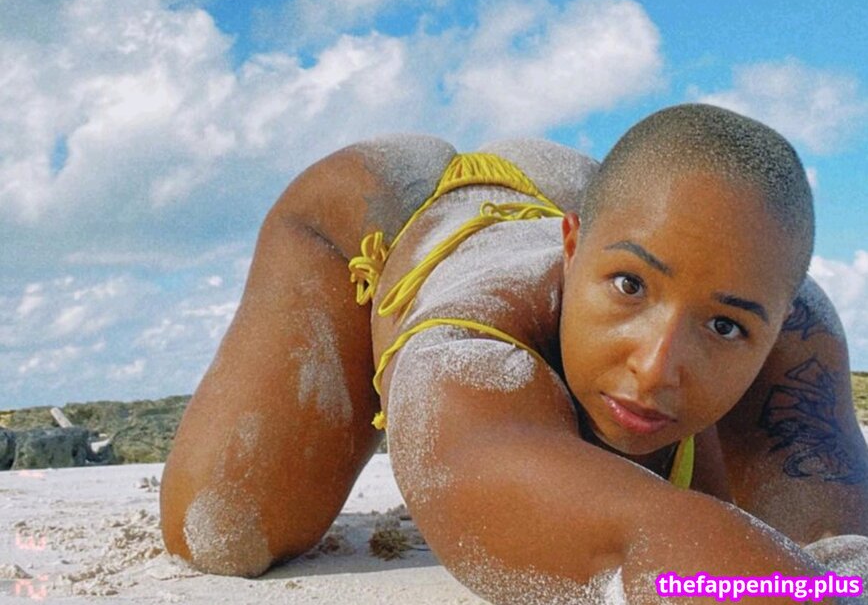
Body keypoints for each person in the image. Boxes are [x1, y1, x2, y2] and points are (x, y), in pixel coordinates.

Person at [159, 104, 868, 603]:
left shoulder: (792, 325)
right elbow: (648, 547)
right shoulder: (464, 357)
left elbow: (842, 560)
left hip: (588, 194)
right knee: (222, 531)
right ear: (572, 247)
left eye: (724, 327)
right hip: (375, 210)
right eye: (629, 287)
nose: (654, 368)